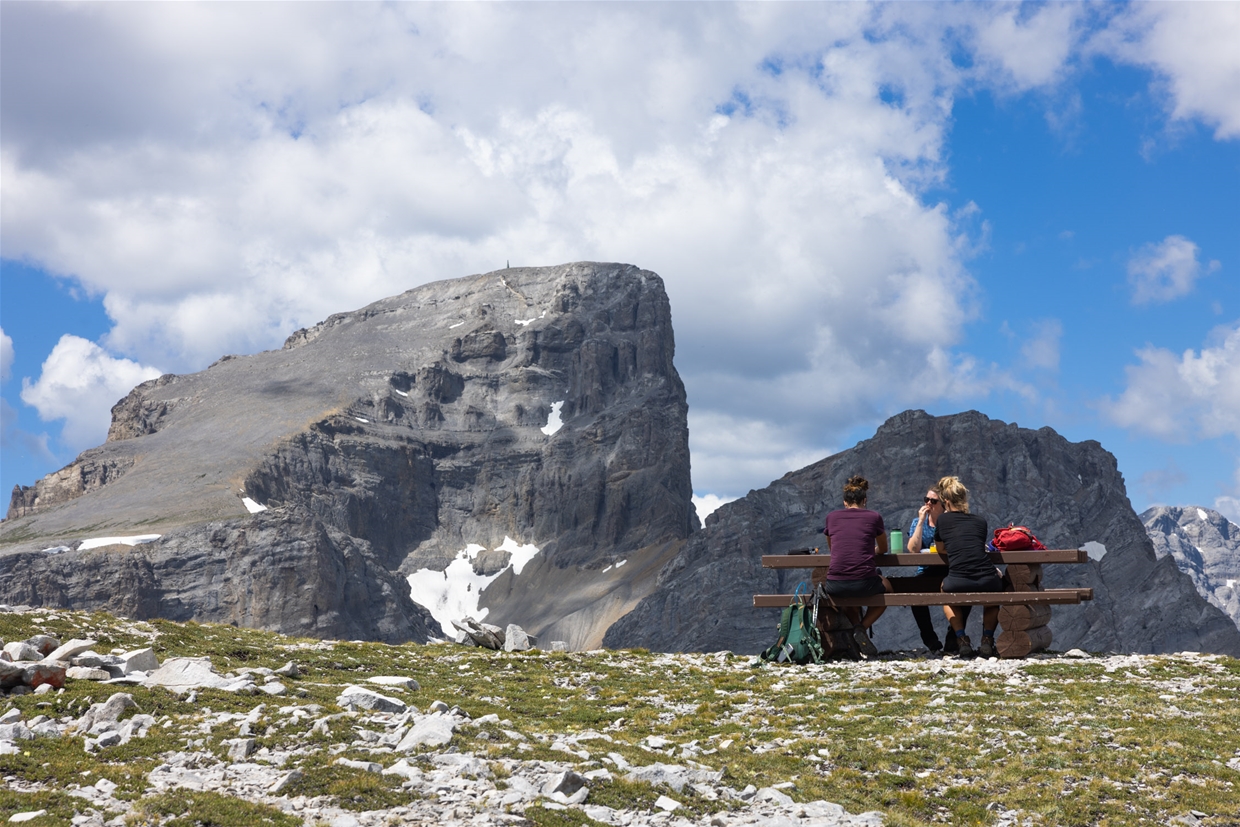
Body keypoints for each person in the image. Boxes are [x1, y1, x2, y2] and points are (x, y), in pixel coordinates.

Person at [821, 475, 892, 656]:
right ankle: (861, 628)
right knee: (888, 589)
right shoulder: (874, 517)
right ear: (865, 500)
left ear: (845, 502)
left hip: (835, 584)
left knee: (848, 597)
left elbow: (833, 548)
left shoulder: (831, 518)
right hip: (864, 582)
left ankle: (855, 629)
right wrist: (870, 550)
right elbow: (883, 548)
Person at [932, 476, 1002, 658]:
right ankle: (987, 639)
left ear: (946, 502)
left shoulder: (942, 521)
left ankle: (962, 639)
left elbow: (940, 548)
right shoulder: (980, 521)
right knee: (993, 597)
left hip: (958, 579)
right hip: (987, 577)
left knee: (944, 593)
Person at [906, 488, 971, 653]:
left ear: (943, 505)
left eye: (933, 501)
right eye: (926, 499)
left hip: (950, 570)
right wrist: (921, 521)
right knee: (914, 592)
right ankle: (930, 639)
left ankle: (954, 637)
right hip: (926, 570)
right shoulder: (918, 522)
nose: (928, 503)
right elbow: (913, 549)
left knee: (967, 591)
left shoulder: (950, 523)